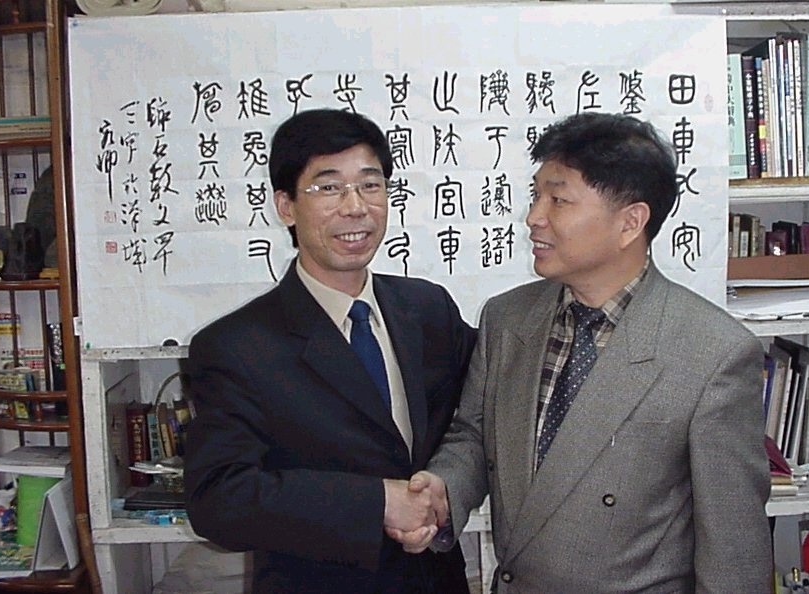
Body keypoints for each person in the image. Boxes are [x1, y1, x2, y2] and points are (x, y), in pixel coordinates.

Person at [392, 112, 772, 592]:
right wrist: (444, 490)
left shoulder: (713, 354)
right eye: (535, 196)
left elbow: (734, 554)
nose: (534, 217)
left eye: (559, 200)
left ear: (630, 222)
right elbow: (476, 436)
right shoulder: (507, 320)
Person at [184, 108, 476, 594]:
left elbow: (488, 407)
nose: (355, 207)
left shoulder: (428, 309)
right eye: (329, 187)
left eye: (370, 184)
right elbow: (219, 501)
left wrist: (446, 484)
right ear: (286, 206)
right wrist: (377, 503)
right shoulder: (236, 346)